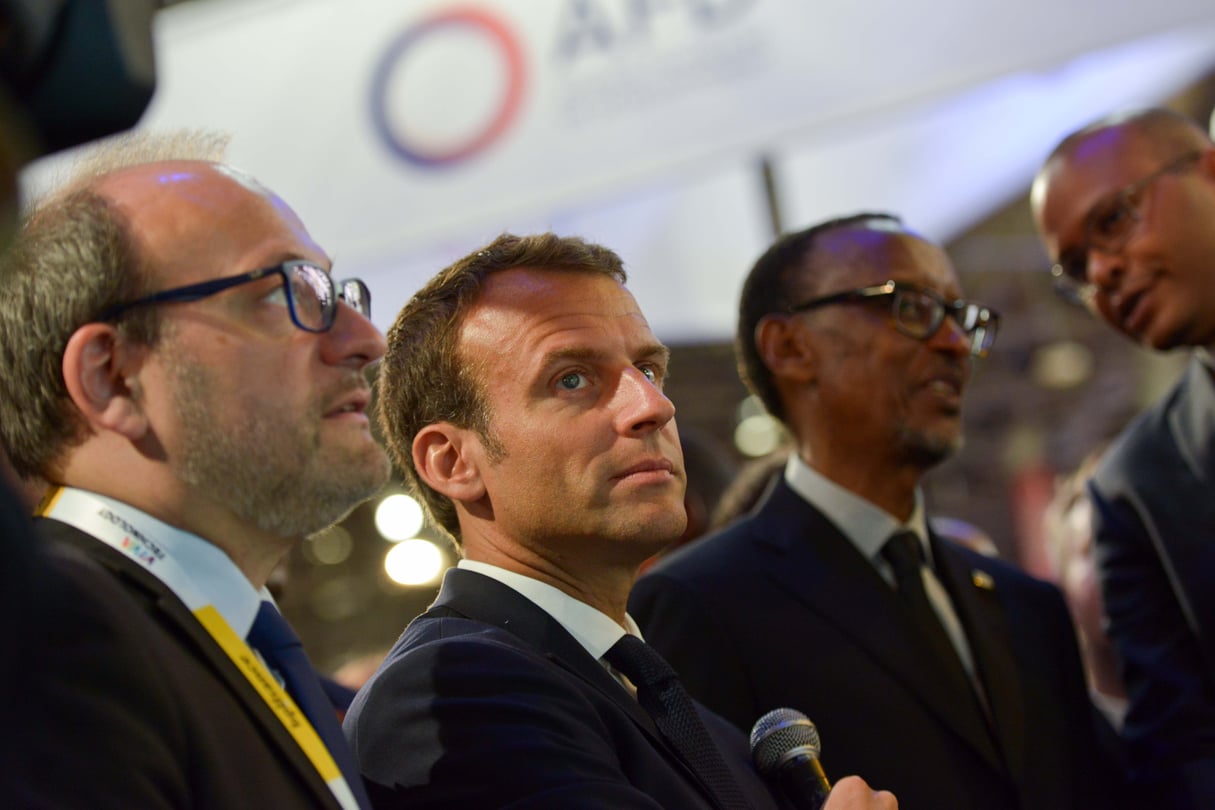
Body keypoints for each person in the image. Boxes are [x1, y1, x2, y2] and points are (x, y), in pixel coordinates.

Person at [345, 232, 896, 809]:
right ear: (453, 461)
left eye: (650, 370)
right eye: (572, 379)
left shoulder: (698, 726)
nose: (654, 406)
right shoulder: (448, 692)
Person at [630, 214, 1120, 810]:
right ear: (789, 346)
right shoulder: (698, 603)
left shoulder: (1027, 606)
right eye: (911, 308)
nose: (953, 343)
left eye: (961, 317)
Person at [0, 131, 391, 809]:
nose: (364, 339)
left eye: (331, 288)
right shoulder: (46, 639)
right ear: (113, 378)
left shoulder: (220, 637)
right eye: (281, 293)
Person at [1030, 107, 1215, 807]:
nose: (1103, 273)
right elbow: (1184, 753)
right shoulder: (1134, 489)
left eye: (1113, 221)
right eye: (1075, 269)